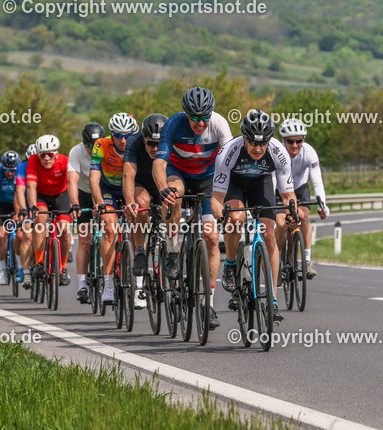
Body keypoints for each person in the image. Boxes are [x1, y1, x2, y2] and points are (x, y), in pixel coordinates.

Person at [153, 86, 232, 329]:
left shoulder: (219, 123)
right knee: (174, 195)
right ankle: (173, 247)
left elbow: (229, 159)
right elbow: (159, 162)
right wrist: (162, 188)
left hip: (209, 178)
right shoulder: (174, 124)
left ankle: (208, 304)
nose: (200, 122)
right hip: (180, 174)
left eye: (204, 117)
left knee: (210, 236)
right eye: (195, 117)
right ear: (186, 113)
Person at [212, 109, 295, 323]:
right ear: (244, 139)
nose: (258, 149)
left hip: (262, 183)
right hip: (235, 184)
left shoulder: (278, 151)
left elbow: (287, 195)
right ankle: (230, 264)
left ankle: (273, 301)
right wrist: (222, 216)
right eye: (253, 143)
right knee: (236, 219)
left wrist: (291, 212)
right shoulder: (229, 151)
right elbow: (217, 197)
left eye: (263, 143)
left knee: (269, 233)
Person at [90, 113, 137, 305]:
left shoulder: (137, 143)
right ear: (111, 134)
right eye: (118, 135)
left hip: (131, 188)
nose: (123, 140)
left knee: (137, 227)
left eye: (127, 134)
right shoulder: (101, 144)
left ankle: (135, 275)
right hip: (108, 189)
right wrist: (98, 202)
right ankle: (108, 284)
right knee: (109, 228)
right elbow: (93, 177)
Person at [123, 113, 168, 310]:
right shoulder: (133, 142)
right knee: (141, 205)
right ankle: (140, 250)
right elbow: (127, 175)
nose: (155, 149)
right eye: (150, 144)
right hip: (142, 184)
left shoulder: (171, 142)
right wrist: (129, 202)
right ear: (143, 139)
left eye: (159, 144)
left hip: (164, 183)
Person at [278, 118, 329, 278]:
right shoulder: (277, 152)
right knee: (281, 223)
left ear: (303, 139)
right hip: (279, 190)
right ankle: (276, 261)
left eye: (298, 141)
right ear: (283, 140)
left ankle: (307, 260)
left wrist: (323, 205)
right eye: (290, 141)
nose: (294, 145)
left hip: (300, 188)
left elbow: (317, 182)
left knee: (304, 216)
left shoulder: (309, 152)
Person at [27, 134, 76, 285]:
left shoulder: (65, 161)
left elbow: (71, 183)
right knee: (40, 219)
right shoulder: (33, 160)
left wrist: (74, 204)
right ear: (38, 155)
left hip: (60, 196)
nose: (46, 158)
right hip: (42, 196)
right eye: (43, 155)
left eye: (50, 154)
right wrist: (33, 206)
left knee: (64, 230)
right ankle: (40, 261)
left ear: (56, 153)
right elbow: (30, 186)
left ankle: (63, 266)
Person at [69, 122, 106, 303]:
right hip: (83, 194)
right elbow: (72, 179)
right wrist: (75, 203)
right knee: (85, 239)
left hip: (104, 192)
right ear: (84, 144)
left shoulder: (108, 149)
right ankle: (82, 285)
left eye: (96, 145)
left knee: (110, 234)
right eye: (90, 146)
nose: (93, 149)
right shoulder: (76, 152)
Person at [0, 150, 22, 285]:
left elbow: (18, 194)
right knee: (1, 236)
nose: (10, 173)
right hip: (0, 205)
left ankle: (21, 267)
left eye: (12, 170)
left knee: (19, 236)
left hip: (16, 203)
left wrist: (18, 212)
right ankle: (1, 269)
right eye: (7, 170)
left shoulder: (20, 172)